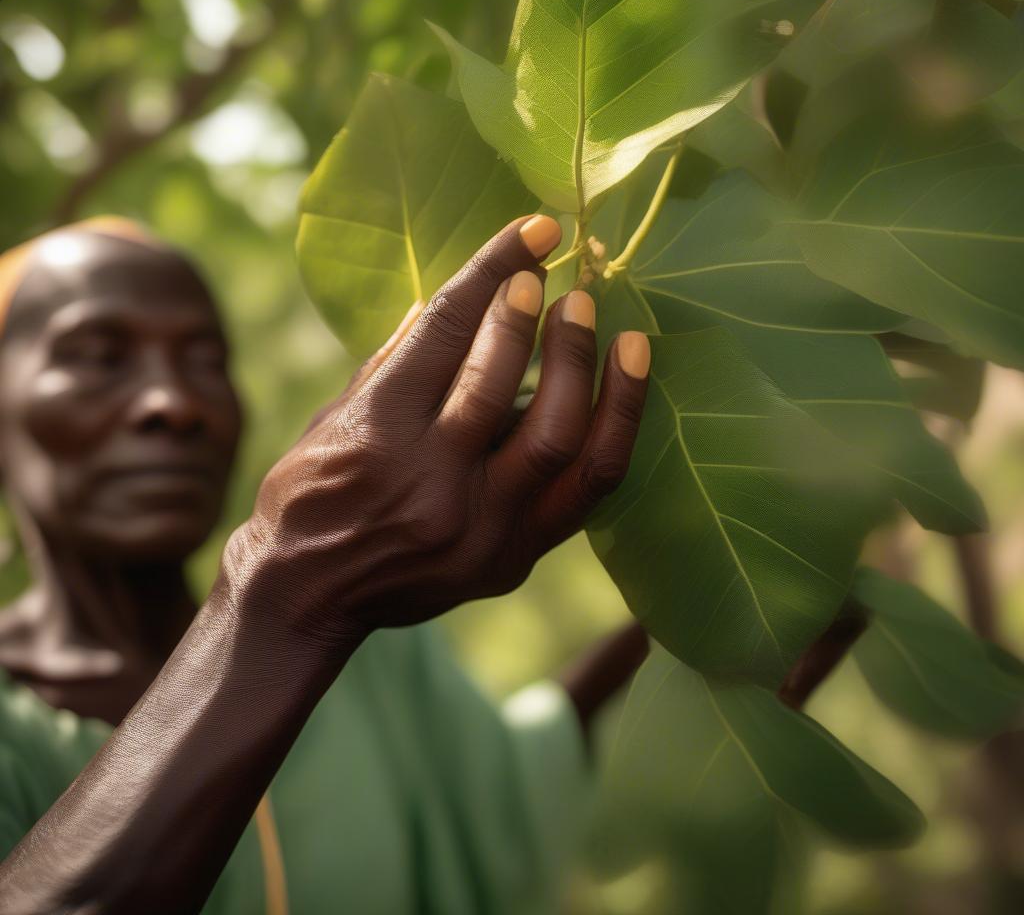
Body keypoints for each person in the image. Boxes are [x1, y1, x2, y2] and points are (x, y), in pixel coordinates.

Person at [0, 212, 651, 914]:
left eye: (205, 361)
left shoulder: (367, 648)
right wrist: (282, 592)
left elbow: (508, 788)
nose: (176, 403)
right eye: (98, 356)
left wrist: (718, 624)